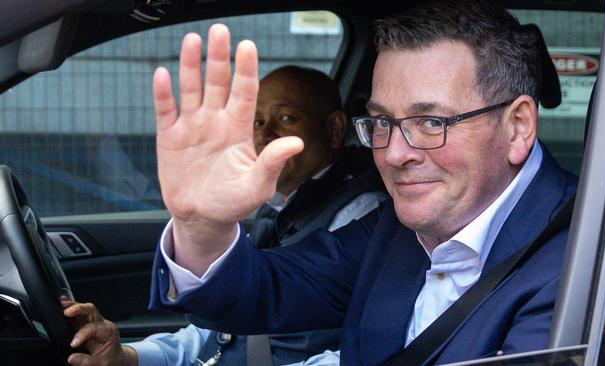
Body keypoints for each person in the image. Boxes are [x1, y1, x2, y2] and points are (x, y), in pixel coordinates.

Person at [73, 0, 580, 364]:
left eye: (432, 123)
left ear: (517, 127)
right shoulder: (399, 229)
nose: (395, 154)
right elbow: (263, 292)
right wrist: (202, 224)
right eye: (381, 122)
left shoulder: (586, 262)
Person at [62, 66, 387, 366]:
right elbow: (215, 330)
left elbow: (364, 348)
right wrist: (130, 357)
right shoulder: (275, 210)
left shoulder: (361, 215)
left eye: (286, 118)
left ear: (334, 129)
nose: (265, 133)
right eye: (257, 122)